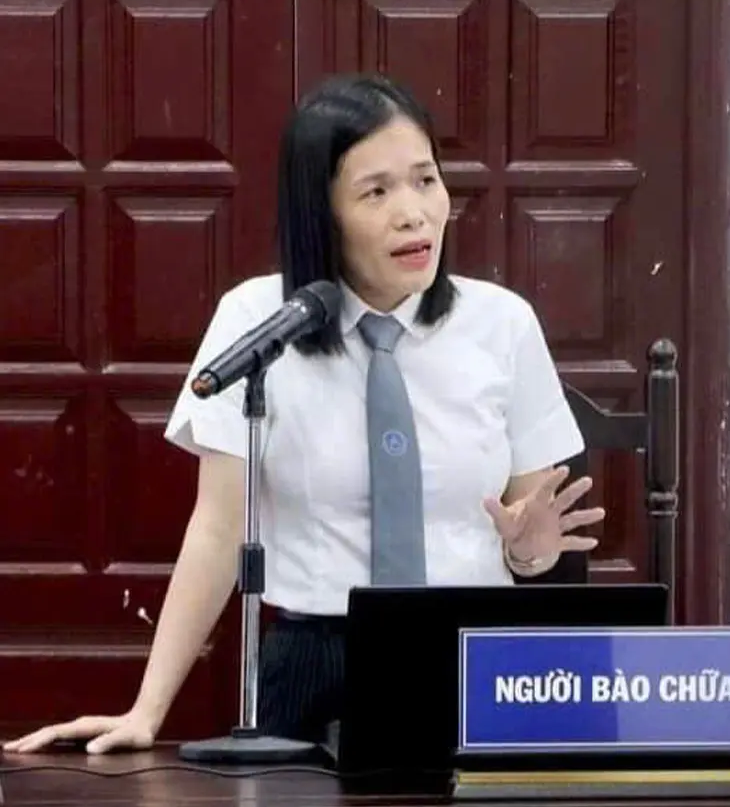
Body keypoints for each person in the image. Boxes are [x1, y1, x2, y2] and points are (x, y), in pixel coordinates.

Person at [3, 73, 604, 755]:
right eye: (377, 192)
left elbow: (531, 534)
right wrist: (146, 710)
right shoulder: (257, 321)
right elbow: (218, 530)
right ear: (320, 212)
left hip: (474, 654)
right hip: (316, 659)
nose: (414, 213)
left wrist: (528, 551)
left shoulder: (502, 323)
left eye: (426, 180)